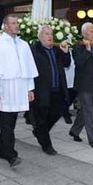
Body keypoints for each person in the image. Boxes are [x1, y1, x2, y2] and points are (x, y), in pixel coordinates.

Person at [0, 15, 38, 167]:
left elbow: (28, 68)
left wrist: (30, 88)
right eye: (13, 23)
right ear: (5, 26)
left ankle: (2, 150)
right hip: (4, 89)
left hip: (19, 89)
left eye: (17, 23)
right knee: (6, 123)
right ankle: (11, 155)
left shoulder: (23, 45)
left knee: (11, 122)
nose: (16, 26)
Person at [30, 25, 70, 155]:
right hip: (41, 90)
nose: (49, 36)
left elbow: (67, 63)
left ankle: (39, 132)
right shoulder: (34, 50)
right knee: (41, 117)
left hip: (57, 89)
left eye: (51, 34)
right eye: (46, 34)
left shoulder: (57, 49)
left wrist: (65, 52)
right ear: (40, 36)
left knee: (56, 114)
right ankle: (47, 145)